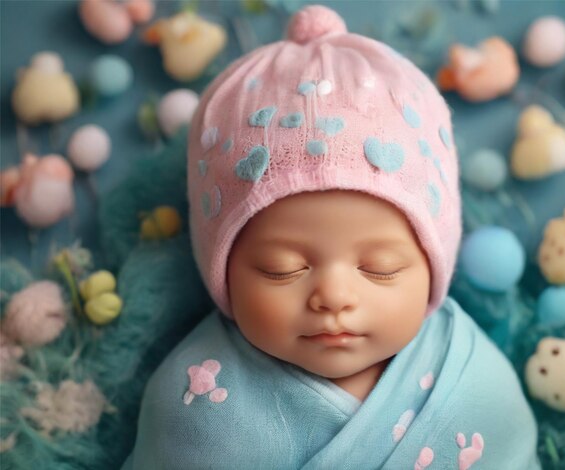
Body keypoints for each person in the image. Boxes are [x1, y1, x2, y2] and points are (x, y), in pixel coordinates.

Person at [123, 5, 540, 469]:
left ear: (432, 264)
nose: (333, 297)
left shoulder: (477, 385)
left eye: (380, 268)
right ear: (221, 270)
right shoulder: (193, 407)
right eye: (282, 269)